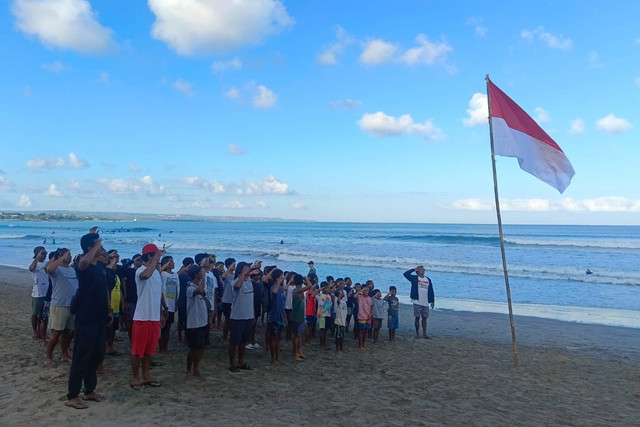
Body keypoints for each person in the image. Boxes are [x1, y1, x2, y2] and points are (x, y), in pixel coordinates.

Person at [66, 233, 110, 409]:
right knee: (81, 356)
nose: (101, 247)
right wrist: (95, 246)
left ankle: (90, 390)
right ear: (89, 248)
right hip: (86, 316)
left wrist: (108, 309)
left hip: (99, 316)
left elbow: (104, 289)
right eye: (97, 244)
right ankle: (72, 395)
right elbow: (84, 262)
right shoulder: (81, 263)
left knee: (96, 355)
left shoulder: (100, 266)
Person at [130, 243, 167, 390]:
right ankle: (135, 378)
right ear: (150, 256)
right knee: (137, 350)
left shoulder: (156, 273)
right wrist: (155, 260)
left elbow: (157, 294)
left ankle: (146, 376)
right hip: (142, 317)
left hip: (153, 317)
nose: (158, 259)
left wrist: (161, 312)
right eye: (156, 255)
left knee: (149, 350)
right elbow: (145, 275)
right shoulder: (141, 270)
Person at [45, 248, 77, 365]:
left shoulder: (72, 270)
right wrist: (59, 259)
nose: (70, 256)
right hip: (59, 304)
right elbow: (49, 269)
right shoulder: (57, 269)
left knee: (67, 332)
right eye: (68, 254)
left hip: (71, 305)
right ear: (62, 256)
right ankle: (48, 357)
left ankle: (65, 354)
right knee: (56, 333)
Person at [228, 261, 254, 372]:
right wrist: (242, 274)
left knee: (243, 342)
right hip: (237, 317)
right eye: (245, 268)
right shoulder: (234, 282)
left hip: (248, 316)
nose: (248, 270)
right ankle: (232, 364)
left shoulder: (250, 282)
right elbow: (238, 286)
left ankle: (240, 362)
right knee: (234, 342)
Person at [185, 265, 207, 376]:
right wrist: (204, 277)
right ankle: (189, 369)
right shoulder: (190, 288)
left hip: (202, 321)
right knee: (193, 348)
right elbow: (199, 290)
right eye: (200, 272)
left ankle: (196, 368)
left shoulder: (197, 285)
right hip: (193, 323)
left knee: (200, 347)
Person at [404, 265, 435, 339]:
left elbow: (431, 290)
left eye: (423, 269)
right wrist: (414, 269)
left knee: (424, 318)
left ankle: (424, 333)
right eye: (421, 269)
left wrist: (432, 300)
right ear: (418, 271)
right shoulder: (415, 278)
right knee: (417, 317)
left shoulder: (427, 279)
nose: (423, 270)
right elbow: (405, 274)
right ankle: (417, 333)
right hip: (417, 301)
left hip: (425, 301)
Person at [290, 275, 314, 361]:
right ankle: (295, 353)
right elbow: (310, 285)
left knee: (299, 335)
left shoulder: (295, 290)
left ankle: (298, 351)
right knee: (296, 336)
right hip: (296, 317)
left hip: (299, 316)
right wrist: (306, 278)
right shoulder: (298, 291)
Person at [159, 255, 179, 354]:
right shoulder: (162, 274)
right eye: (171, 262)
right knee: (163, 328)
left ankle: (165, 347)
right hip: (164, 304)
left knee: (168, 328)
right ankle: (161, 348)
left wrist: (176, 302)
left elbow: (176, 290)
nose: (173, 263)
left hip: (172, 303)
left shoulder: (175, 275)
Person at [29, 246, 48, 340]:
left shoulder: (46, 263)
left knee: (43, 313)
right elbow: (31, 268)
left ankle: (41, 331)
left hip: (46, 292)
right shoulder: (35, 264)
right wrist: (36, 258)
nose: (45, 255)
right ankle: (35, 331)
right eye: (42, 253)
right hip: (38, 292)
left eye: (45, 253)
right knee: (35, 313)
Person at [266, 268, 286, 364]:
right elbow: (274, 292)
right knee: (273, 338)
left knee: (279, 338)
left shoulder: (282, 288)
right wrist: (278, 281)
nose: (283, 278)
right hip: (274, 316)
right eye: (281, 276)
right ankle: (273, 358)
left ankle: (278, 357)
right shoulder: (274, 286)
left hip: (281, 316)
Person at [176, 257, 194, 344]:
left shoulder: (187, 274)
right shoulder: (183, 274)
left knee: (186, 320)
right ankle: (180, 337)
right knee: (182, 320)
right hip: (182, 300)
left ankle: (185, 337)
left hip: (185, 300)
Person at [220, 257, 236, 345]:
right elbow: (223, 277)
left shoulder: (235, 275)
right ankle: (224, 337)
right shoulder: (226, 275)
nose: (235, 266)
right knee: (227, 320)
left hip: (235, 301)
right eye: (233, 264)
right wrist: (228, 269)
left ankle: (231, 336)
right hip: (227, 300)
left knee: (234, 320)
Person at [355, 286, 372, 350]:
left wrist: (370, 314)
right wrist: (361, 290)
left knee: (366, 331)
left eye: (367, 290)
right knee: (361, 331)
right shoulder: (360, 297)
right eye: (365, 290)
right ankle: (360, 345)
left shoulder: (369, 298)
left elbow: (371, 306)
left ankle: (364, 344)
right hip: (361, 316)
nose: (366, 291)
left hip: (368, 316)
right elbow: (355, 296)